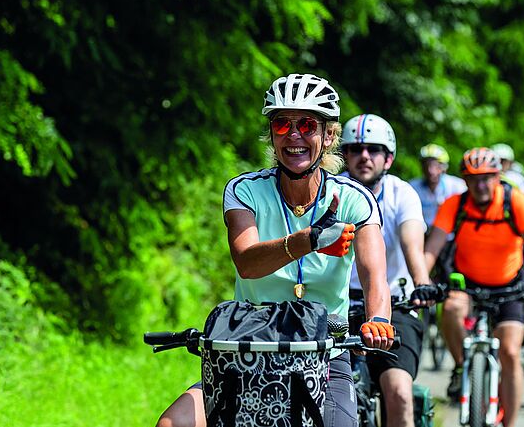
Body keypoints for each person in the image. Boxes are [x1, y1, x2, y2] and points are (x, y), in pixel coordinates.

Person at [156, 73, 392, 427]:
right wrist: (310, 239)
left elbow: (375, 277)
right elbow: (247, 263)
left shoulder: (355, 199)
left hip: (324, 350)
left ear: (328, 136)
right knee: (172, 424)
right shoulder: (244, 191)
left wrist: (378, 320)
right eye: (282, 124)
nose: (294, 135)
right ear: (272, 134)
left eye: (307, 124)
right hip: (248, 344)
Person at [423, 148, 524, 427]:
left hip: (510, 287)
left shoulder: (515, 202)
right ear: (465, 181)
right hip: (467, 283)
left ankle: (510, 423)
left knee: (510, 352)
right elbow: (432, 248)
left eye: (487, 178)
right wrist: (420, 280)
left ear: (498, 177)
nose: (481, 185)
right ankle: (461, 365)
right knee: (451, 310)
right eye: (473, 179)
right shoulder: (455, 205)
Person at [341, 114, 437, 427]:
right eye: (355, 149)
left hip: (395, 305)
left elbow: (412, 244)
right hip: (335, 306)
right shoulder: (331, 192)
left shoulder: (402, 193)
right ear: (344, 155)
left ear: (389, 158)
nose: (364, 156)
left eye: (374, 149)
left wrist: (421, 282)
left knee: (399, 392)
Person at [409, 143, 466, 230]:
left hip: (449, 234)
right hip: (422, 233)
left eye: (436, 166)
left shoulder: (457, 186)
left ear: (444, 168)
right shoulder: (412, 187)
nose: (431, 171)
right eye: (426, 165)